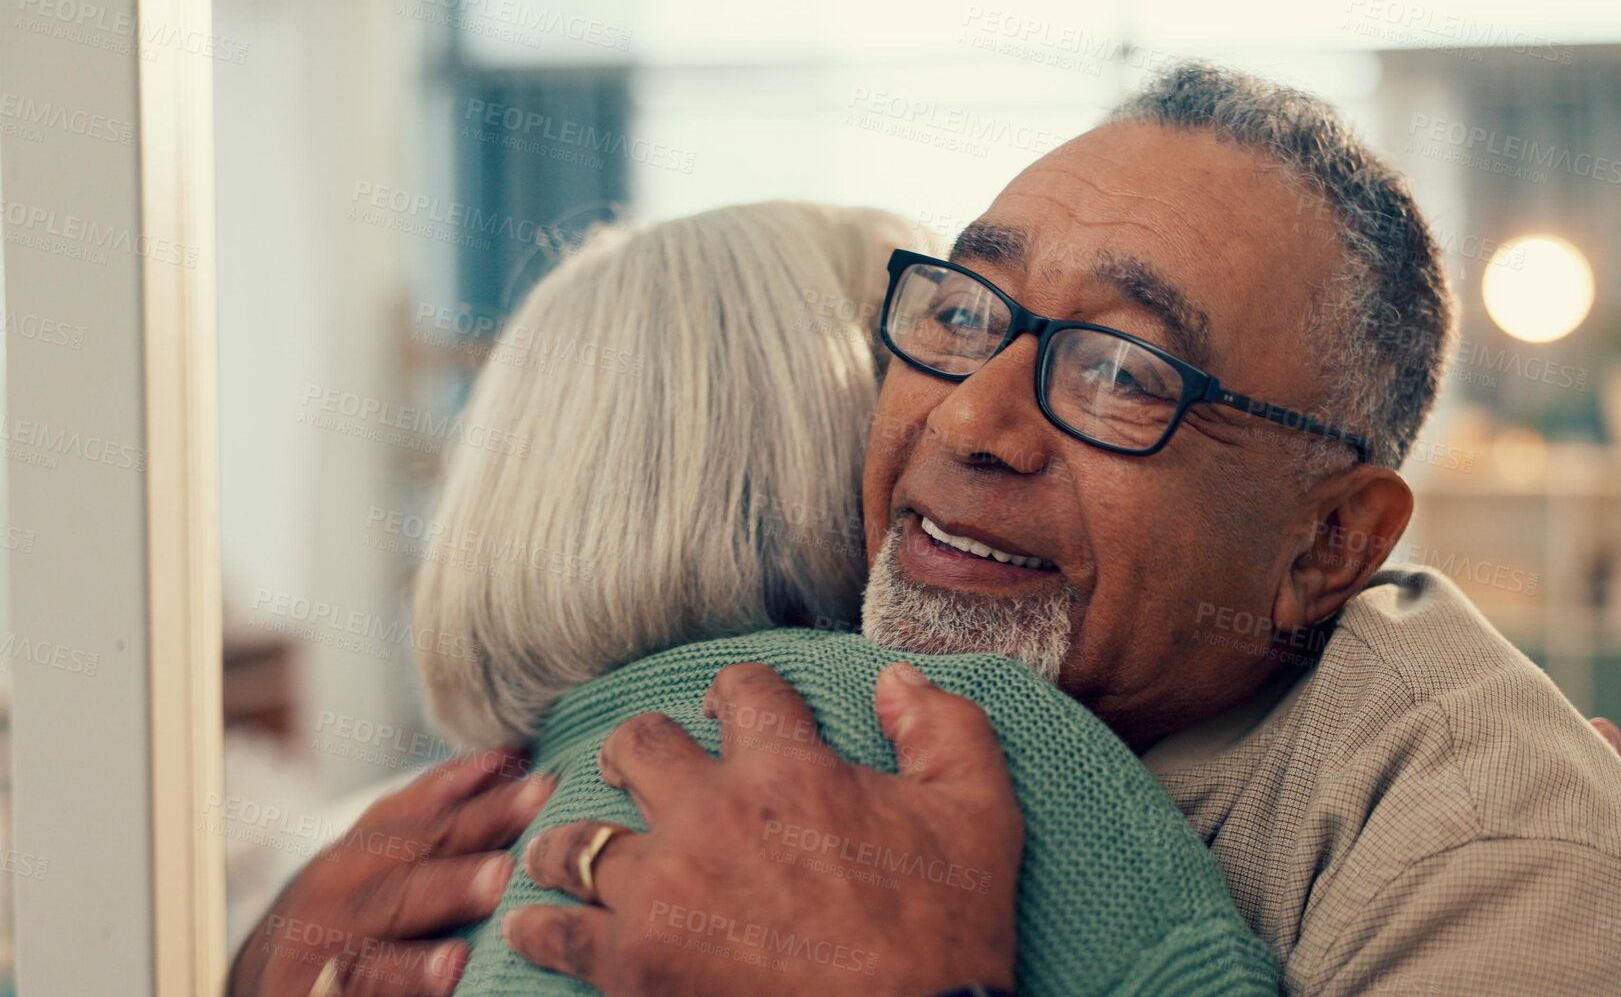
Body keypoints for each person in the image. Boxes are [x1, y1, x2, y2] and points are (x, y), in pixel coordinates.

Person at [230, 64, 1621, 997]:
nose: (971, 419)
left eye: (1121, 369)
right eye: (963, 313)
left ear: (1325, 541)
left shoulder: (1468, 839)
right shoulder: (820, 688)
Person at [235, 202, 1282, 996]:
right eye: (937, 347)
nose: (968, 420)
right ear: (837, 434)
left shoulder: (416, 873)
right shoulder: (971, 738)